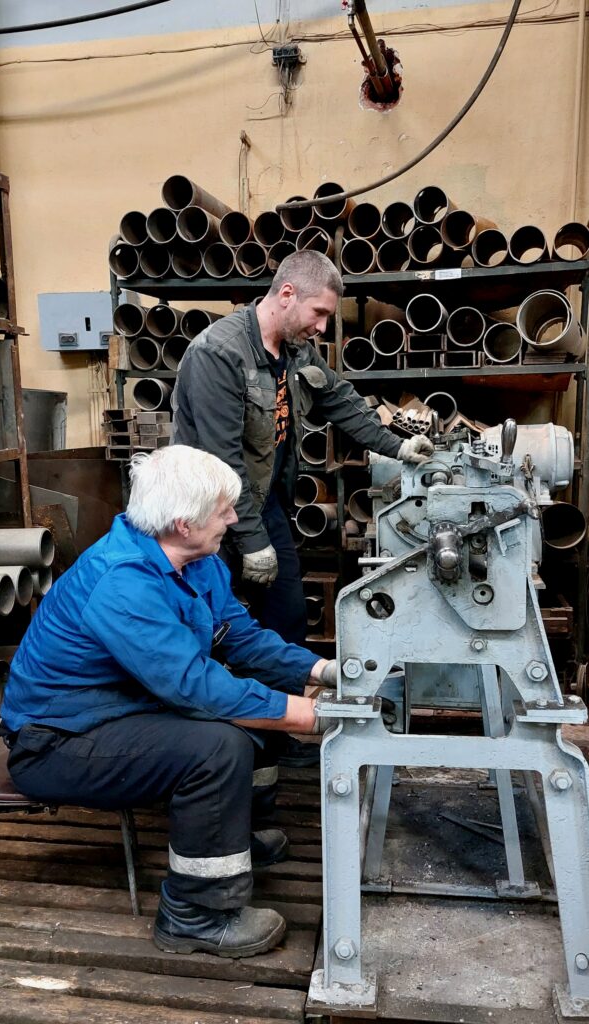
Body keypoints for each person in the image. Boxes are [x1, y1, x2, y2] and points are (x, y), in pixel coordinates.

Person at [0, 445, 336, 959]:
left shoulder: (195, 561)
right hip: (58, 742)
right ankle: (195, 915)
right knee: (217, 745)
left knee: (249, 715)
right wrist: (307, 715)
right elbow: (192, 685)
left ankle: (234, 839)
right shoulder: (124, 581)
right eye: (224, 510)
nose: (232, 519)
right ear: (184, 523)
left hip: (119, 711)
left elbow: (238, 637)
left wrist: (322, 671)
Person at [171, 250, 432, 762]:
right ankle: (215, 744)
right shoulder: (217, 355)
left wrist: (396, 446)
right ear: (286, 295)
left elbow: (338, 399)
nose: (322, 326)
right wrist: (251, 542)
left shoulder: (294, 353)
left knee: (285, 615)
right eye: (319, 314)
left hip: (262, 505)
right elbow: (224, 466)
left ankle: (276, 732)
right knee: (213, 625)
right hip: (206, 518)